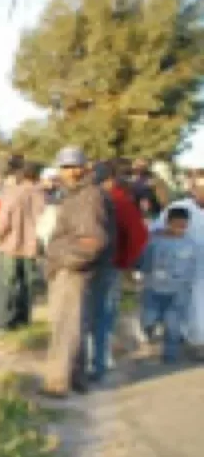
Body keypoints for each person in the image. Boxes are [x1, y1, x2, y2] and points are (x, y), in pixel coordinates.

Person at [42, 146, 114, 398]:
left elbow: (92, 240)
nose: (69, 171)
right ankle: (76, 378)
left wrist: (64, 261)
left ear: (85, 167)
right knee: (73, 325)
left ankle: (57, 382)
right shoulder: (75, 194)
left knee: (65, 327)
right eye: (65, 167)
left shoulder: (88, 196)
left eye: (74, 166)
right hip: (73, 268)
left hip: (74, 271)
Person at [89, 161, 148, 381]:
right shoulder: (120, 201)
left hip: (81, 264)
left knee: (86, 311)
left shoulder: (82, 198)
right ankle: (101, 359)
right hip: (110, 263)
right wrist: (126, 261)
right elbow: (138, 236)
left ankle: (83, 357)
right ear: (111, 178)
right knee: (105, 312)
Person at [150, 176, 204, 353]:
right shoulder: (180, 208)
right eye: (200, 188)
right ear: (194, 189)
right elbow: (156, 231)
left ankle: (195, 340)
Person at [0, 162, 46, 331]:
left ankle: (3, 323)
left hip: (10, 246)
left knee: (6, 286)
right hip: (32, 247)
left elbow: (3, 220)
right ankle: (23, 319)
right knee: (27, 286)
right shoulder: (41, 195)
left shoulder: (13, 193)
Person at [139, 207, 196, 363]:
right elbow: (144, 261)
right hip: (153, 287)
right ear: (167, 223)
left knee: (173, 323)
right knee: (148, 319)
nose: (179, 230)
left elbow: (191, 268)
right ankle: (149, 336)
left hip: (178, 291)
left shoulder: (190, 244)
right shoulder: (154, 241)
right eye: (176, 225)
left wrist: (188, 287)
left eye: (183, 226)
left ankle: (170, 356)